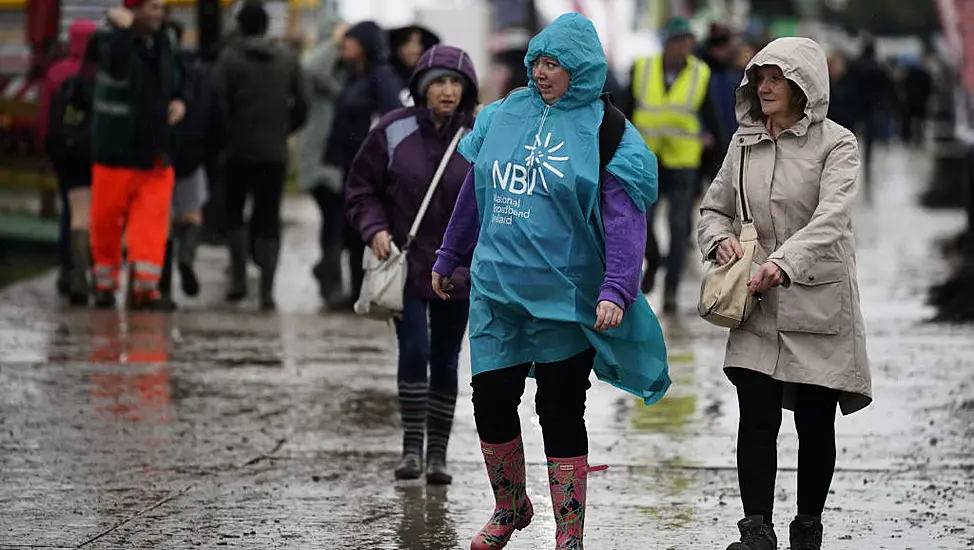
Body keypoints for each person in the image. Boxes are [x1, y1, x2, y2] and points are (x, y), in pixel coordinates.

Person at [432, 13, 670, 549]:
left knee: (560, 410)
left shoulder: (608, 133)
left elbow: (625, 221)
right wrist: (450, 254)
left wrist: (616, 290)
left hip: (567, 298)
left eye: (554, 64)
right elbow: (474, 190)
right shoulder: (502, 115)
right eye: (536, 61)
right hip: (496, 292)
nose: (541, 72)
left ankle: (569, 534)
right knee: (490, 397)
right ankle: (510, 505)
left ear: (580, 69)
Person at [696, 37, 872, 550]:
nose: (764, 87)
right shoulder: (743, 140)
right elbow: (713, 210)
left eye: (776, 78)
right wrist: (720, 239)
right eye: (758, 78)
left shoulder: (838, 143)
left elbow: (832, 220)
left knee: (815, 421)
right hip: (754, 300)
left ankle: (807, 529)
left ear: (804, 85)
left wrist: (784, 262)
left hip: (816, 301)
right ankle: (756, 531)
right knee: (756, 414)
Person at [345, 45, 479, 484]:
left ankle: (437, 455)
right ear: (422, 87)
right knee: (415, 349)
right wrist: (374, 229)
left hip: (458, 269)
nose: (447, 91)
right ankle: (411, 450)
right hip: (405, 264)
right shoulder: (391, 130)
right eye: (439, 82)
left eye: (456, 83)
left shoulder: (480, 136)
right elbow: (361, 189)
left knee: (445, 357)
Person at [89, 0, 186, 311]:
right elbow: (112, 64)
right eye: (152, 7)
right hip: (115, 150)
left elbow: (178, 80)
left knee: (151, 226)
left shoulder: (166, 41)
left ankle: (146, 287)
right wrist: (122, 28)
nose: (159, 13)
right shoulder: (110, 38)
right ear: (134, 10)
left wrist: (181, 101)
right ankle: (104, 284)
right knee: (105, 221)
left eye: (162, 7)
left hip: (156, 153)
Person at [214, 0, 310, 310]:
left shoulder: (229, 59)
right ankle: (267, 290)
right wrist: (284, 129)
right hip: (274, 153)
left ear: (240, 26)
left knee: (234, 214)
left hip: (237, 152)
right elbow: (304, 102)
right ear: (267, 26)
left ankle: (239, 280)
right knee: (268, 219)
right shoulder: (287, 58)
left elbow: (217, 104)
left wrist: (228, 134)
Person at [623, 17, 722, 311]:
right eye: (679, 41)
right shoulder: (642, 68)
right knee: (641, 224)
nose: (684, 48)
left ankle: (671, 290)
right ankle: (651, 268)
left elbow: (712, 118)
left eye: (688, 42)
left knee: (679, 228)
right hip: (645, 160)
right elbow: (625, 111)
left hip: (682, 161)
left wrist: (719, 163)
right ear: (667, 43)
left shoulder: (699, 73)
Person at [323, 21, 405, 310]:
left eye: (351, 39)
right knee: (351, 230)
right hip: (352, 164)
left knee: (366, 229)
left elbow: (393, 118)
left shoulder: (381, 76)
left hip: (372, 167)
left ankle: (373, 291)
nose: (343, 43)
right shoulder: (351, 75)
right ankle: (358, 290)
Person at [159, 24, 228, 308]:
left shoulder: (157, 72)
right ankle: (186, 257)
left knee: (161, 222)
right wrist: (209, 158)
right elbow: (218, 123)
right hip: (193, 157)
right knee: (191, 215)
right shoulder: (202, 76)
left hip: (159, 158)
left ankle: (162, 288)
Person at [38, 19, 98, 301]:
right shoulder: (100, 73)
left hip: (66, 154)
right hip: (97, 154)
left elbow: (45, 118)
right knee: (97, 215)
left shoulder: (56, 73)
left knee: (70, 212)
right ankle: (94, 271)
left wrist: (47, 149)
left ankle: (68, 270)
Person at [298, 7, 348, 306]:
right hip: (318, 159)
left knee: (339, 219)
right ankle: (331, 281)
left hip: (337, 158)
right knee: (333, 217)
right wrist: (334, 43)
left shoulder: (344, 70)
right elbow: (311, 69)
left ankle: (327, 270)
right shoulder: (320, 62)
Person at [387, 24, 440, 105]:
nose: (415, 50)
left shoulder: (427, 77)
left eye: (419, 43)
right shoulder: (385, 76)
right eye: (407, 43)